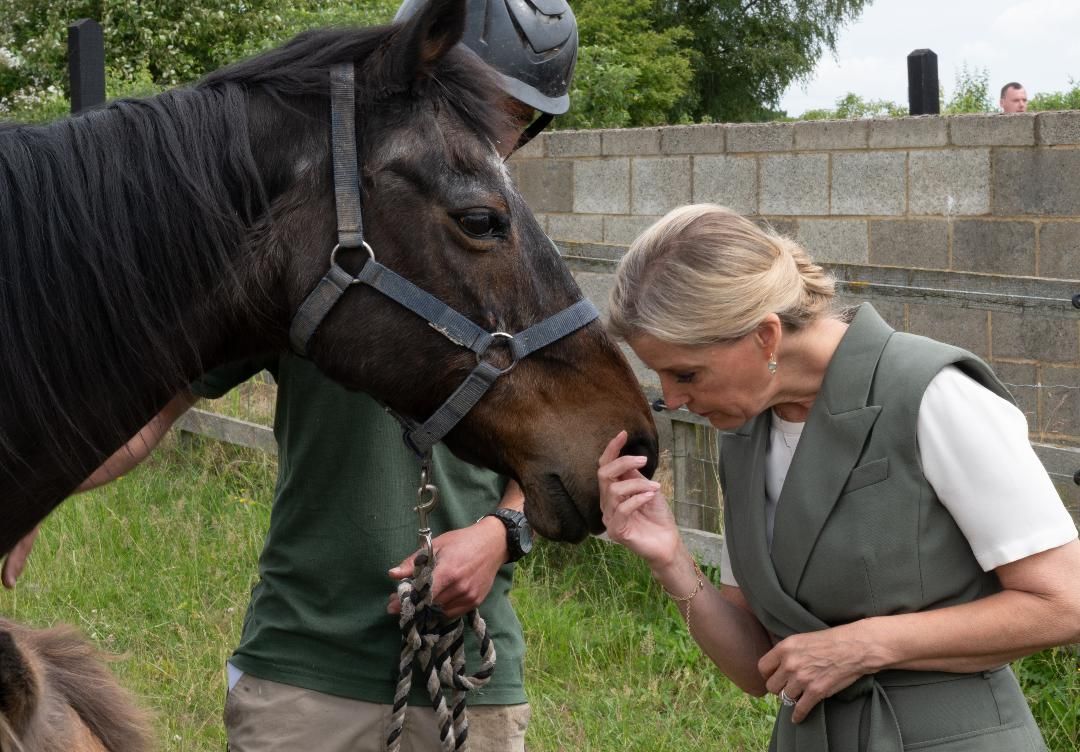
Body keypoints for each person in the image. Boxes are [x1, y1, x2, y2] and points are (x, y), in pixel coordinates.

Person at [2, 2, 578, 751]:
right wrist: (37, 480)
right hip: (303, 670)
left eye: (519, 117)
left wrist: (501, 534)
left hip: (464, 673)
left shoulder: (530, 279)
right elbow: (150, 408)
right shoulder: (313, 255)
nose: (495, 130)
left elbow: (570, 450)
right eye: (478, 103)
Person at [597, 204, 1080, 751]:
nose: (673, 397)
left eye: (686, 373)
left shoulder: (932, 395)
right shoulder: (744, 434)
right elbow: (760, 669)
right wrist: (671, 560)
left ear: (765, 337)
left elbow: (1065, 602)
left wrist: (868, 644)